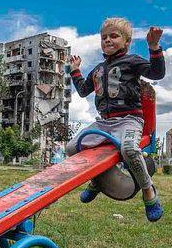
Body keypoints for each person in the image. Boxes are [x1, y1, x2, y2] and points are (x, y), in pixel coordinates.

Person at [66, 18, 166, 222]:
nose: (107, 40)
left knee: (129, 150)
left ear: (126, 42)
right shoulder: (98, 69)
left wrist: (154, 47)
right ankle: (97, 181)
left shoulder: (132, 61)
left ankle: (149, 192)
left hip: (129, 119)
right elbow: (83, 91)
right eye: (104, 37)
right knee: (72, 148)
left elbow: (157, 73)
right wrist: (75, 70)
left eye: (114, 36)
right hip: (104, 123)